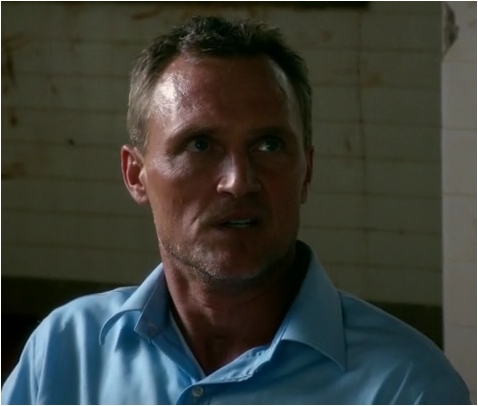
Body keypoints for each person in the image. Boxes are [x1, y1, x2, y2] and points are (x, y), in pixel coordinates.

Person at [2, 15, 470, 405]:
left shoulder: (407, 388)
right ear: (136, 175)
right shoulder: (66, 353)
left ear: (306, 172)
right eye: (200, 145)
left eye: (268, 145)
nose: (239, 181)